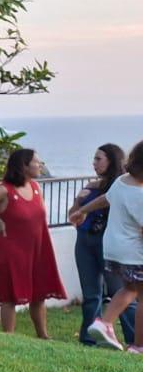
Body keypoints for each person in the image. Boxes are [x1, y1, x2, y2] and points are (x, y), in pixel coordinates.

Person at [0, 148, 66, 338]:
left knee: (39, 293)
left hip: (38, 247)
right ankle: (9, 337)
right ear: (24, 166)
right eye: (37, 162)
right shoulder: (4, 190)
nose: (40, 165)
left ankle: (43, 336)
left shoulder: (36, 187)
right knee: (9, 295)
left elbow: (37, 218)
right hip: (12, 249)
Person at [72, 140, 143, 352]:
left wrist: (83, 210)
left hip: (112, 249)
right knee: (135, 292)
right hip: (134, 251)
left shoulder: (122, 181)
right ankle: (126, 337)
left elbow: (105, 198)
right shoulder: (140, 194)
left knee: (130, 289)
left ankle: (111, 328)